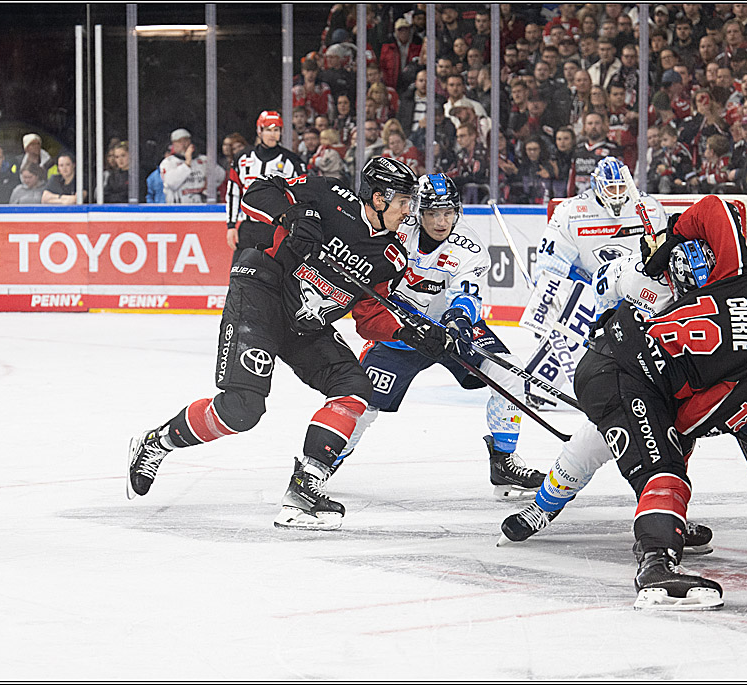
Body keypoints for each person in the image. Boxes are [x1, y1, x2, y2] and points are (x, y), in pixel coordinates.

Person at [517, 192, 747, 610]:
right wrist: (679, 430)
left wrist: (671, 236)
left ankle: (654, 521)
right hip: (632, 377)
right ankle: (654, 563)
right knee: (662, 468)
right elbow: (690, 420)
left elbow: (714, 209)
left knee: (626, 442)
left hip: (622, 356)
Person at [126, 157, 435, 531]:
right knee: (242, 409)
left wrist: (408, 331)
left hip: (305, 325)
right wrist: (294, 214)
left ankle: (305, 488)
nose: (409, 211)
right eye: (404, 201)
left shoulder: (391, 257)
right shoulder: (329, 193)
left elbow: (370, 315)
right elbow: (257, 192)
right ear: (379, 198)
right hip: (262, 292)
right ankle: (158, 442)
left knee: (354, 388)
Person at [330, 174, 547, 499]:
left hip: (450, 327)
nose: (441, 221)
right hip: (402, 331)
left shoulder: (469, 247)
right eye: (433, 213)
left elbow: (467, 295)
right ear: (419, 211)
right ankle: (326, 461)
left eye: (447, 213)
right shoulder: (397, 231)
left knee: (509, 374)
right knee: (363, 401)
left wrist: (459, 321)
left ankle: (503, 462)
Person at [225, 111, 305, 262]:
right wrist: (231, 225)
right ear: (259, 131)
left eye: (276, 130)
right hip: (248, 228)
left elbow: (300, 197)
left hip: (277, 230)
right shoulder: (242, 158)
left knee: (275, 279)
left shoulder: (292, 162)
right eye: (268, 129)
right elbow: (233, 192)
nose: (272, 134)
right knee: (239, 278)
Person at [160, 129, 207, 203]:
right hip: (179, 208)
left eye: (186, 140)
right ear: (173, 144)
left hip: (201, 205)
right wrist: (187, 163)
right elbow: (171, 183)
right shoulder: (168, 162)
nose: (183, 144)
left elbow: (220, 176)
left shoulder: (203, 160)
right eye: (179, 141)